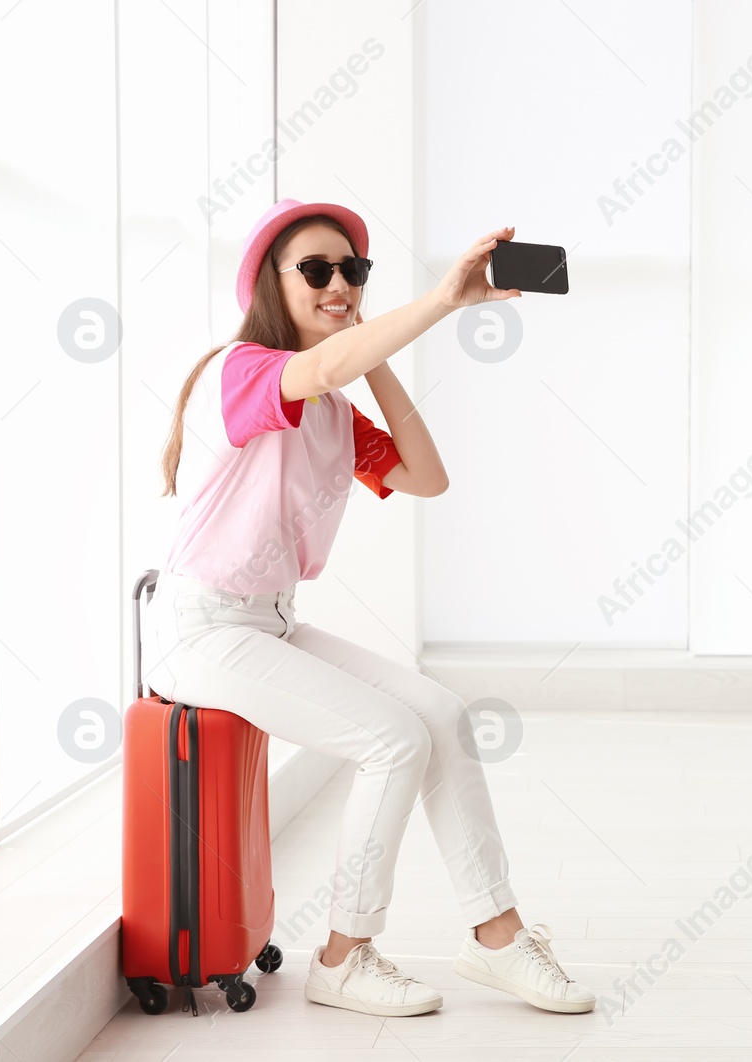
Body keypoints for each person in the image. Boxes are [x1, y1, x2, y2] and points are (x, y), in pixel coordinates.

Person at [140, 197, 595, 1018]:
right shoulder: (242, 370)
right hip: (200, 628)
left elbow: (427, 475)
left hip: (266, 622)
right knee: (392, 740)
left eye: (353, 270)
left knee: (444, 715)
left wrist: (375, 351)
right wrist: (441, 303)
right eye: (316, 269)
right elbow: (313, 369)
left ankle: (496, 936)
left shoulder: (335, 409)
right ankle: (344, 956)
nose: (338, 281)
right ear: (271, 286)